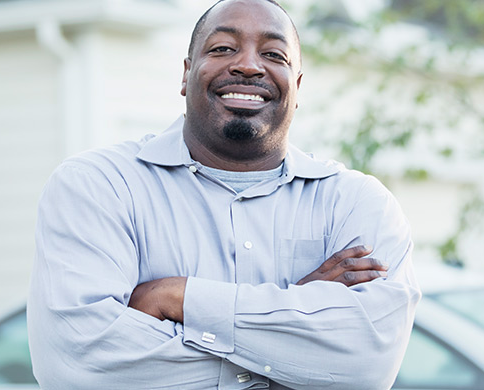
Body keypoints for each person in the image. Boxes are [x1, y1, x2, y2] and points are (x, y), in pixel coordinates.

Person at [27, 0, 420, 388]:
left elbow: (365, 366)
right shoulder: (99, 187)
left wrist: (179, 298)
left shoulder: (356, 204)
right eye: (222, 49)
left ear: (297, 86)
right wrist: (295, 316)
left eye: (273, 54)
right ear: (185, 75)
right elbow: (80, 367)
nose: (248, 65)